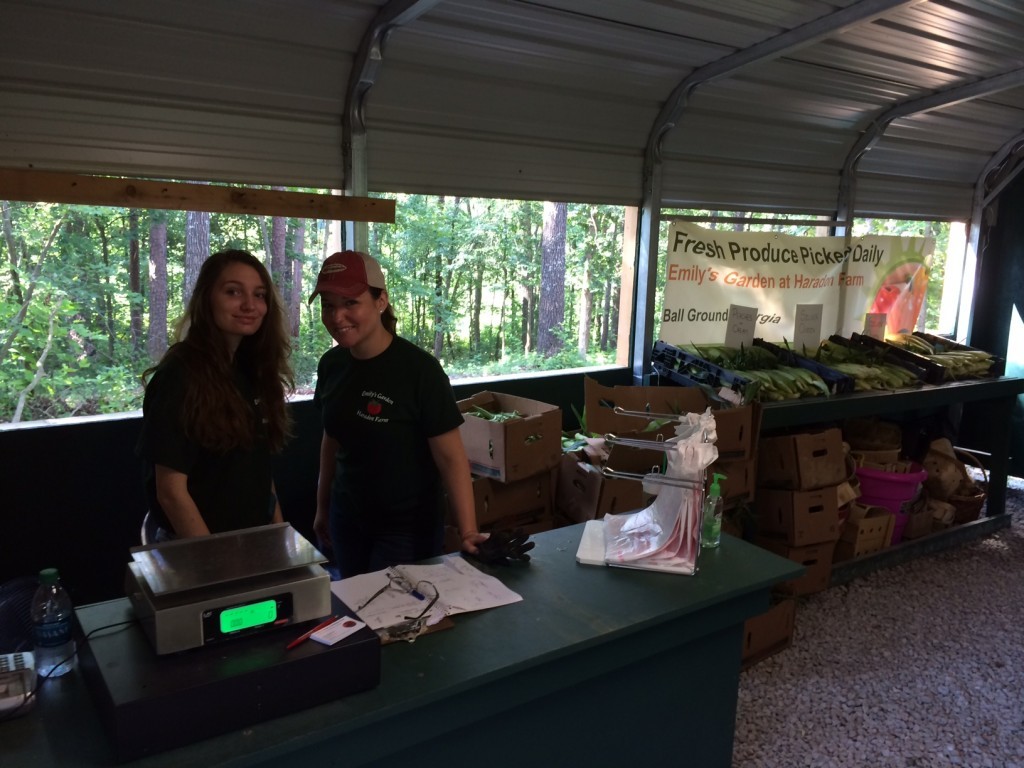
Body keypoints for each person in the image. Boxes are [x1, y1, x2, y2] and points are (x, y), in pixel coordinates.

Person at [309, 250, 484, 577]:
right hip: (347, 519)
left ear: (380, 301)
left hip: (406, 529)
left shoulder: (419, 371)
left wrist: (469, 531)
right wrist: (322, 508)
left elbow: (451, 459)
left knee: (397, 619)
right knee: (356, 615)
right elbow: (331, 439)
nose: (337, 316)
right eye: (328, 305)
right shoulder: (331, 365)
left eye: (350, 303)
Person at [137, 249, 294, 539]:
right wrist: (216, 566)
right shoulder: (181, 373)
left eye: (259, 295)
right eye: (233, 292)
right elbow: (171, 491)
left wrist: (278, 535)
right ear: (206, 298)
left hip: (253, 543)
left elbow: (258, 469)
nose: (250, 305)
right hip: (200, 553)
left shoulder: (250, 368)